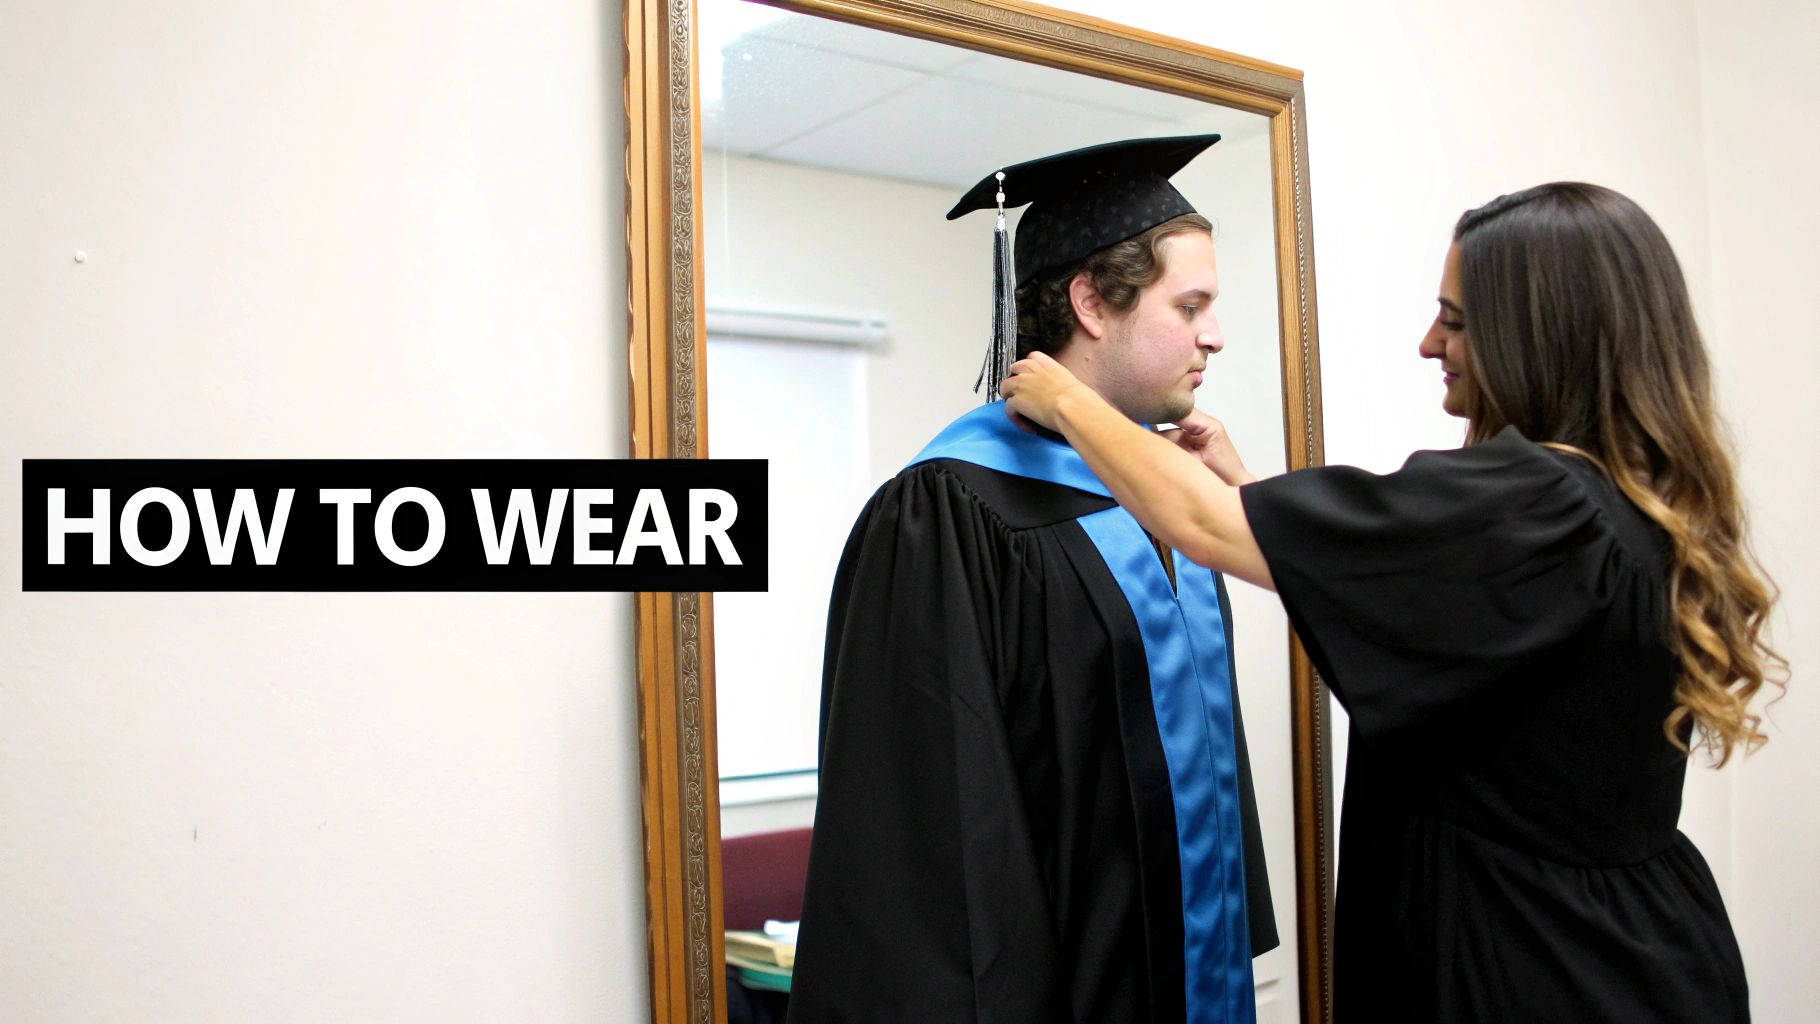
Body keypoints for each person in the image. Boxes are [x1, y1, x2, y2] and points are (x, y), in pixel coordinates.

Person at [1001, 181, 1784, 1022]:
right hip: (1635, 949)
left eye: (1455, 319)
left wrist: (1065, 400)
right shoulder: (1620, 502)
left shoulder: (1533, 502)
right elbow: (1399, 598)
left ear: (1537, 332)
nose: (1428, 343)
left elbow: (1203, 526)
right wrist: (1249, 484)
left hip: (1538, 967)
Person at [787, 136, 1277, 1024]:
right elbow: (935, 841)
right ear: (1092, 302)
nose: (1215, 334)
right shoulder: (950, 514)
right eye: (1192, 303)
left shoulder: (1172, 497)